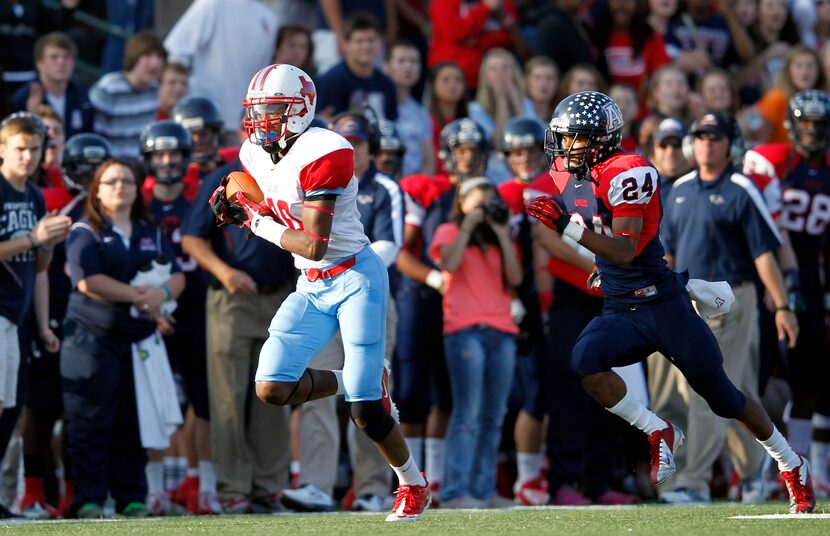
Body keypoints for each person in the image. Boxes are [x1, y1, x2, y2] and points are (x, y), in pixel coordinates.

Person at [527, 91, 815, 514]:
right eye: (563, 137)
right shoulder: (568, 171)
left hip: (662, 304)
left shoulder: (630, 170)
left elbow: (624, 248)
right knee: (585, 360)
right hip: (622, 306)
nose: (564, 147)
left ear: (601, 139)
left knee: (722, 397)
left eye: (574, 138)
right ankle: (657, 429)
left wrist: (568, 229)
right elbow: (607, 242)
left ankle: (792, 464)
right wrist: (601, 266)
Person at [207, 63, 430, 521]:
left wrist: (253, 219)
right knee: (271, 387)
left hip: (355, 277)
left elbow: (313, 242)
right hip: (310, 283)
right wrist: (244, 204)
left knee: (366, 411)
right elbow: (271, 205)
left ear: (302, 108)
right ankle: (357, 380)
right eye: (259, 110)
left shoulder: (327, 149)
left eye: (274, 110)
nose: (262, 120)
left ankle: (412, 483)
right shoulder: (253, 152)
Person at [660, 111, 796, 504]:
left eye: (715, 137)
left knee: (708, 389)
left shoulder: (741, 187)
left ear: (730, 143)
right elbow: (666, 253)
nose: (707, 143)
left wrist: (783, 305)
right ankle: (755, 473)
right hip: (688, 301)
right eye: (701, 136)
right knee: (736, 390)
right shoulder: (679, 189)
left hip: (733, 298)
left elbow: (764, 255)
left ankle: (694, 481)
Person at [281, 111, 404, 513]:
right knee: (319, 385)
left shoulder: (384, 186)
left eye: (360, 141)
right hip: (322, 290)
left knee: (367, 388)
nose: (353, 147)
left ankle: (371, 487)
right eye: (346, 139)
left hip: (367, 291)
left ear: (371, 147)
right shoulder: (314, 175)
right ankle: (316, 483)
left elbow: (390, 245)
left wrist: (349, 264)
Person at [61, 158, 184, 518]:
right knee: (90, 420)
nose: (121, 187)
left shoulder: (151, 229)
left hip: (137, 342)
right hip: (90, 338)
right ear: (96, 189)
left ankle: (133, 496)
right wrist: (138, 295)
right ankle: (89, 500)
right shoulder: (84, 230)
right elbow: (88, 281)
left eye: (127, 181)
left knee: (134, 419)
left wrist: (161, 295)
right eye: (112, 181)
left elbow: (176, 275)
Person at [181, 126, 293, 514]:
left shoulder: (291, 173)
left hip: (280, 297)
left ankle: (269, 486)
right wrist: (224, 272)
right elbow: (191, 237)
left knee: (276, 392)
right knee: (227, 397)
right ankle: (232, 490)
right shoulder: (223, 176)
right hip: (230, 299)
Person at [395, 118, 491, 506]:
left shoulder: (485, 196)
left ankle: (431, 482)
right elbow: (402, 253)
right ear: (447, 153)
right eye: (461, 149)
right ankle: (408, 480)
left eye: (473, 150)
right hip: (421, 298)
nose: (467, 158)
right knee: (413, 393)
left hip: (462, 306)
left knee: (447, 396)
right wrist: (435, 279)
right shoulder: (428, 191)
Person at [742, 90, 830, 496]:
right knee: (755, 373)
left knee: (806, 373)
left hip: (810, 275)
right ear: (793, 125)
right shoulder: (774, 160)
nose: (811, 131)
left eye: (818, 125)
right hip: (767, 270)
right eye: (805, 123)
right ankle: (753, 469)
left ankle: (798, 463)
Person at [429, 177, 521, 507]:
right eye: (477, 203)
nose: (483, 209)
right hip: (464, 329)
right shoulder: (449, 231)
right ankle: (455, 491)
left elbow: (516, 279)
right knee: (467, 413)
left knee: (493, 414)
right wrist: (467, 227)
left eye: (489, 202)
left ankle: (483, 490)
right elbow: (448, 264)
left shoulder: (500, 237)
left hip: (502, 330)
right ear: (462, 203)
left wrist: (500, 232)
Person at [164, 0, 278, 141]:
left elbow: (262, 75)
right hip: (203, 124)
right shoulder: (213, 3)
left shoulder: (269, 19)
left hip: (244, 127)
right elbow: (177, 49)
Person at [89, 31, 166, 158]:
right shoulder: (107, 89)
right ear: (133, 57)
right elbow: (94, 137)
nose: (155, 63)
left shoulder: (155, 89)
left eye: (160, 57)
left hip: (144, 168)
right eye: (147, 56)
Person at [316, 12, 398, 122]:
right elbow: (325, 121)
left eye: (371, 40)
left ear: (381, 42)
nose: (366, 46)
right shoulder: (333, 79)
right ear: (346, 44)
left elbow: (391, 123)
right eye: (359, 41)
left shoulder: (386, 83)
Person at [11, 31, 93, 139]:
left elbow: (89, 137)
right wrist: (32, 116)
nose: (61, 62)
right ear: (39, 63)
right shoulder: (23, 97)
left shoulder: (83, 96)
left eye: (67, 57)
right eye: (54, 57)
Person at [384, 39, 435, 176]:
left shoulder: (421, 112)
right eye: (401, 61)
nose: (408, 67)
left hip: (415, 188)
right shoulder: (377, 106)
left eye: (414, 62)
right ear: (386, 67)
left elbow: (429, 161)